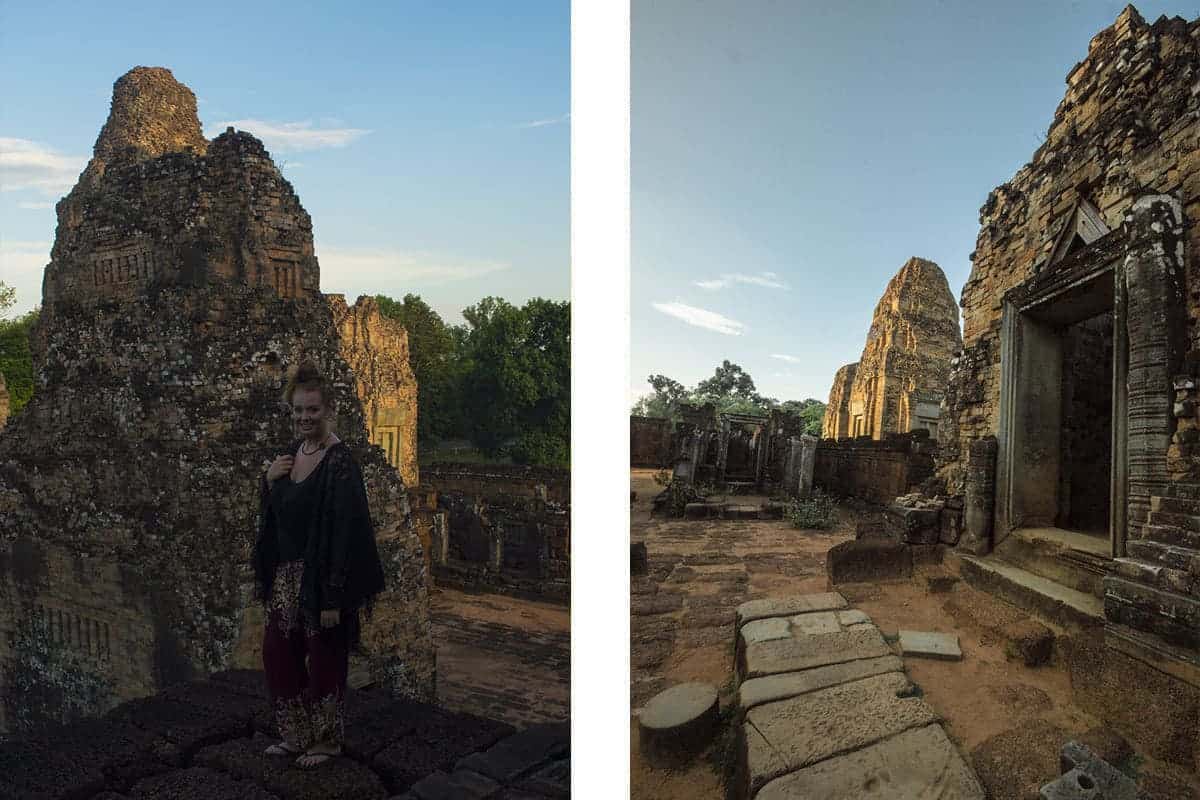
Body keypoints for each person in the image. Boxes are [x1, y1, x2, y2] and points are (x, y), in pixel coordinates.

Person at [252, 359, 386, 769]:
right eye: (298, 410)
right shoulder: (292, 455)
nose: (305, 417)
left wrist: (333, 597)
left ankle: (326, 742)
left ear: (328, 410)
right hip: (289, 578)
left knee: (325, 655)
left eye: (312, 410)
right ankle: (295, 735)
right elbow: (280, 517)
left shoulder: (339, 462)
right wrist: (268, 481)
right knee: (277, 652)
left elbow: (345, 532)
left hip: (324, 578)